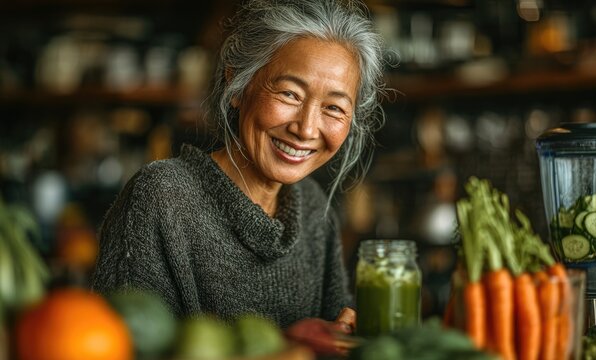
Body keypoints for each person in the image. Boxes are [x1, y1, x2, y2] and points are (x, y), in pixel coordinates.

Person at [92, 0, 387, 331]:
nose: (306, 129)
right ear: (238, 85)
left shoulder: (315, 211)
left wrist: (344, 332)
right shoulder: (160, 197)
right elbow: (127, 345)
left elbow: (331, 337)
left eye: (333, 108)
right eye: (290, 94)